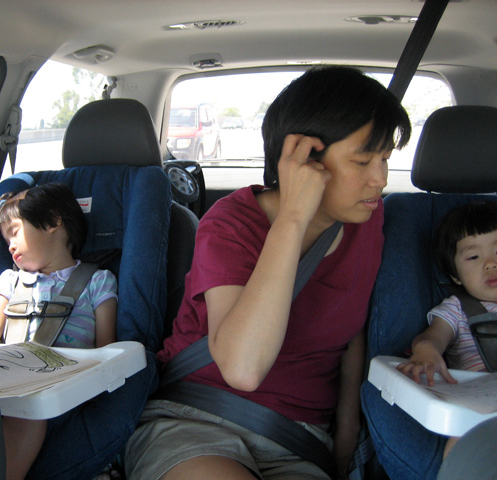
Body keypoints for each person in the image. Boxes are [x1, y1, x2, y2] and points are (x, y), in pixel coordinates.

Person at [124, 65, 411, 480]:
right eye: (363, 160)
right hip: (195, 419)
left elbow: (351, 335)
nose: (380, 180)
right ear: (304, 158)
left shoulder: (370, 221)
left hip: (301, 439)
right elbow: (242, 369)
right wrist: (294, 218)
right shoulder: (231, 223)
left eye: (384, 159)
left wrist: (348, 434)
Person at [0, 183, 118, 480]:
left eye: (15, 232)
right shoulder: (10, 280)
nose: (10, 247)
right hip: (9, 376)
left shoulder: (97, 281)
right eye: (6, 240)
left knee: (27, 411)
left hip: (65, 386)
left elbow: (105, 347)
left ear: (54, 222)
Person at [397, 201, 496, 458]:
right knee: (464, 441)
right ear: (455, 276)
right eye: (474, 257)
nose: (490, 264)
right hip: (481, 407)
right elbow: (433, 338)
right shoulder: (458, 309)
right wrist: (426, 351)